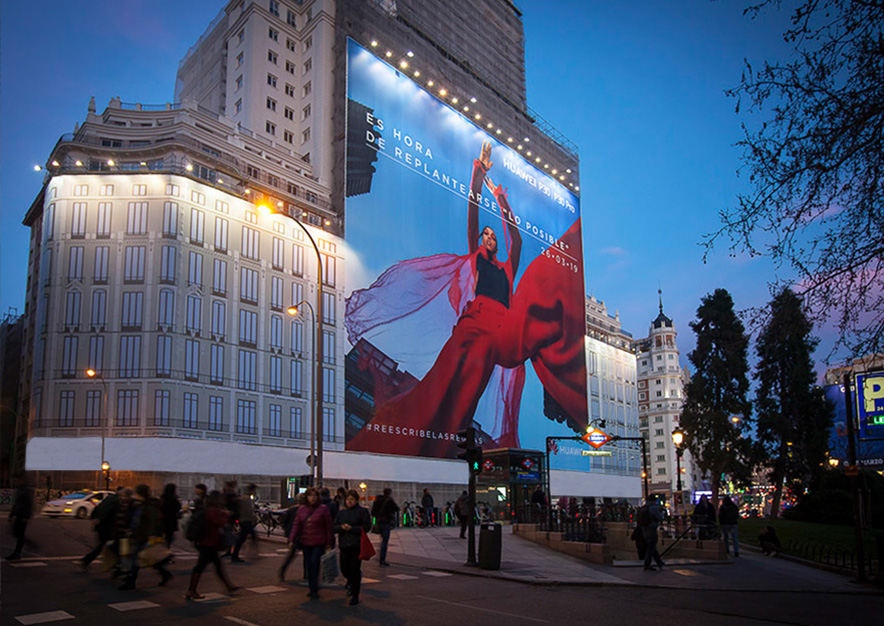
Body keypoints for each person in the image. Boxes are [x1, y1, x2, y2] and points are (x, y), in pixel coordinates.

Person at [346, 141, 588, 457]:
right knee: (444, 382)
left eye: (492, 235)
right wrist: (478, 174)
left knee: (469, 394)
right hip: (472, 329)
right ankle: (429, 439)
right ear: (479, 239)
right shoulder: (476, 261)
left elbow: (516, 239)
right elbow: (472, 212)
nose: (490, 237)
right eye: (485, 234)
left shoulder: (506, 268)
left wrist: (502, 199)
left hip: (496, 333)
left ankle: (452, 445)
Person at [185, 490, 240, 600]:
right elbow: (220, 523)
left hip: (207, 542)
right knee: (202, 566)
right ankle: (191, 590)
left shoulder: (208, 509)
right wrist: (226, 515)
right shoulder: (213, 511)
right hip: (208, 542)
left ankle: (229, 586)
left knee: (217, 565)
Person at [119, 484, 172, 591]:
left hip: (145, 536)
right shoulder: (142, 505)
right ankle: (164, 573)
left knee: (137, 557)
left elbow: (151, 522)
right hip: (140, 535)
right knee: (147, 558)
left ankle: (131, 581)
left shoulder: (149, 506)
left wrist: (151, 536)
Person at [288, 487, 333, 599]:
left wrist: (329, 542)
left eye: (314, 496)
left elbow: (328, 526)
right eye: (310, 496)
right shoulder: (302, 510)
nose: (312, 498)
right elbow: (296, 525)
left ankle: (314, 588)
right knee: (309, 564)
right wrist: (291, 539)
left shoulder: (323, 509)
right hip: (306, 541)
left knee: (314, 563)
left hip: (319, 541)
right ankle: (312, 586)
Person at [334, 489, 372, 606]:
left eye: (352, 499)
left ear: (356, 500)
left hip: (356, 544)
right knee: (344, 568)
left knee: (354, 569)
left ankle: (355, 594)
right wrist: (341, 527)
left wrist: (353, 529)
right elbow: (334, 526)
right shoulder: (341, 512)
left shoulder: (362, 511)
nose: (349, 502)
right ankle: (350, 580)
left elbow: (366, 527)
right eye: (348, 499)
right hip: (344, 544)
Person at [81, 486, 121, 568]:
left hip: (101, 526)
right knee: (110, 546)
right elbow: (108, 512)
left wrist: (94, 517)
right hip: (107, 528)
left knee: (105, 545)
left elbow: (98, 508)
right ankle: (117, 565)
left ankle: (87, 560)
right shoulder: (116, 501)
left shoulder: (108, 499)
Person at [278, 492, 305, 581]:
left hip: (292, 534)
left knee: (291, 554)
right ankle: (307, 575)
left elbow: (283, 521)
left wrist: (287, 531)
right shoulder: (303, 510)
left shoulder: (291, 510)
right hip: (300, 534)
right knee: (306, 555)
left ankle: (283, 570)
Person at [6, 480, 34, 560]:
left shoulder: (26, 490)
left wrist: (26, 516)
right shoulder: (20, 490)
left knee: (19, 534)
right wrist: (11, 514)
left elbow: (28, 503)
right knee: (16, 533)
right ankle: (27, 545)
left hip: (22, 515)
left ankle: (17, 552)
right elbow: (17, 503)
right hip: (18, 514)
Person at [371, 488, 399, 566]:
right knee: (385, 541)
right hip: (386, 522)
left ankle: (380, 558)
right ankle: (382, 559)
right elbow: (397, 509)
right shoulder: (389, 501)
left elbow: (373, 512)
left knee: (383, 540)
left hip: (379, 522)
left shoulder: (377, 500)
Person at [231, 483, 258, 563]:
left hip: (243, 520)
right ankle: (236, 554)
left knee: (244, 537)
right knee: (243, 538)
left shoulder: (242, 498)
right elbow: (248, 511)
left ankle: (237, 554)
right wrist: (253, 517)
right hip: (246, 520)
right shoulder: (246, 499)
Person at [639, 495, 665, 571]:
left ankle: (659, 562)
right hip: (652, 529)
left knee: (652, 546)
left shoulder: (644, 507)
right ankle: (647, 564)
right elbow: (659, 517)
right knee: (651, 547)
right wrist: (662, 512)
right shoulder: (653, 508)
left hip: (644, 529)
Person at [159, 483, 181, 548]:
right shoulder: (174, 499)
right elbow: (178, 507)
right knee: (169, 537)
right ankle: (167, 548)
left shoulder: (162, 498)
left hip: (163, 519)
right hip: (171, 520)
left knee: (162, 536)